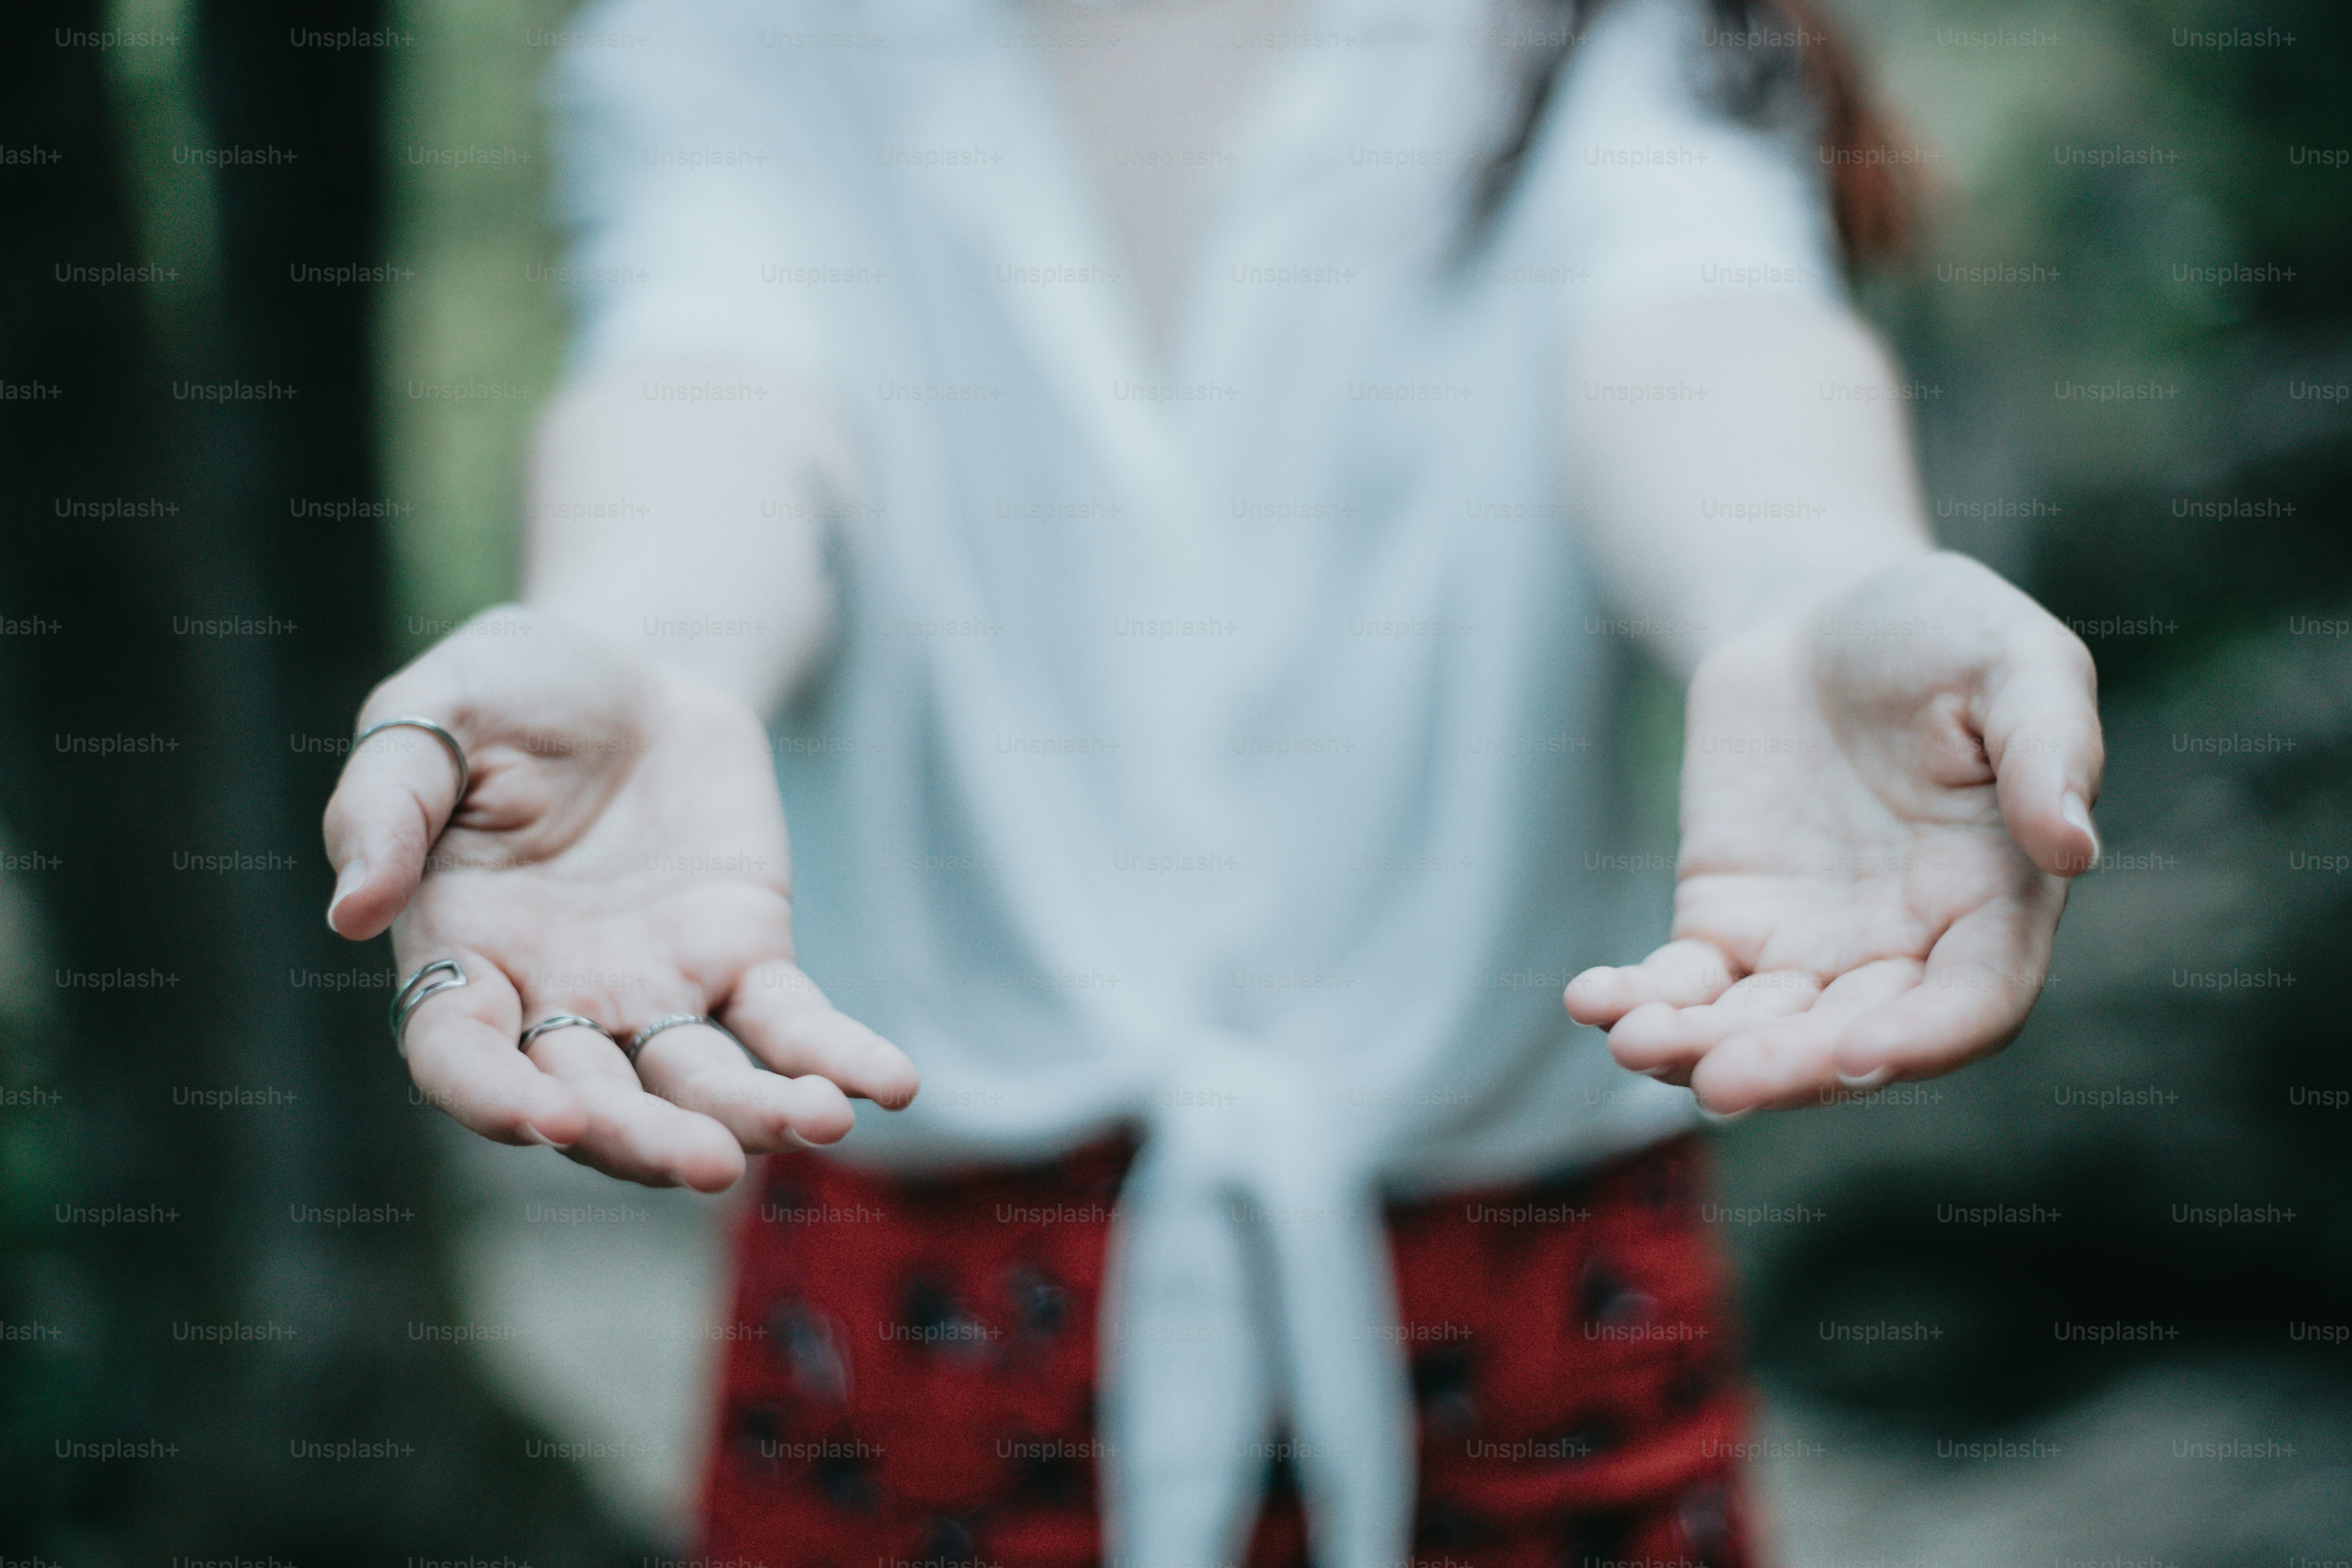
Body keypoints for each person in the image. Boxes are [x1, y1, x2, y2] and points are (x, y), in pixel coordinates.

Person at [324, 0, 2104, 1560]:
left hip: (1533, 1300)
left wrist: (1810, 590)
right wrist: (635, 644)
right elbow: (705, 376)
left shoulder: (1597, 22)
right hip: (920, 1312)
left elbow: (1702, 332)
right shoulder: (742, 34)